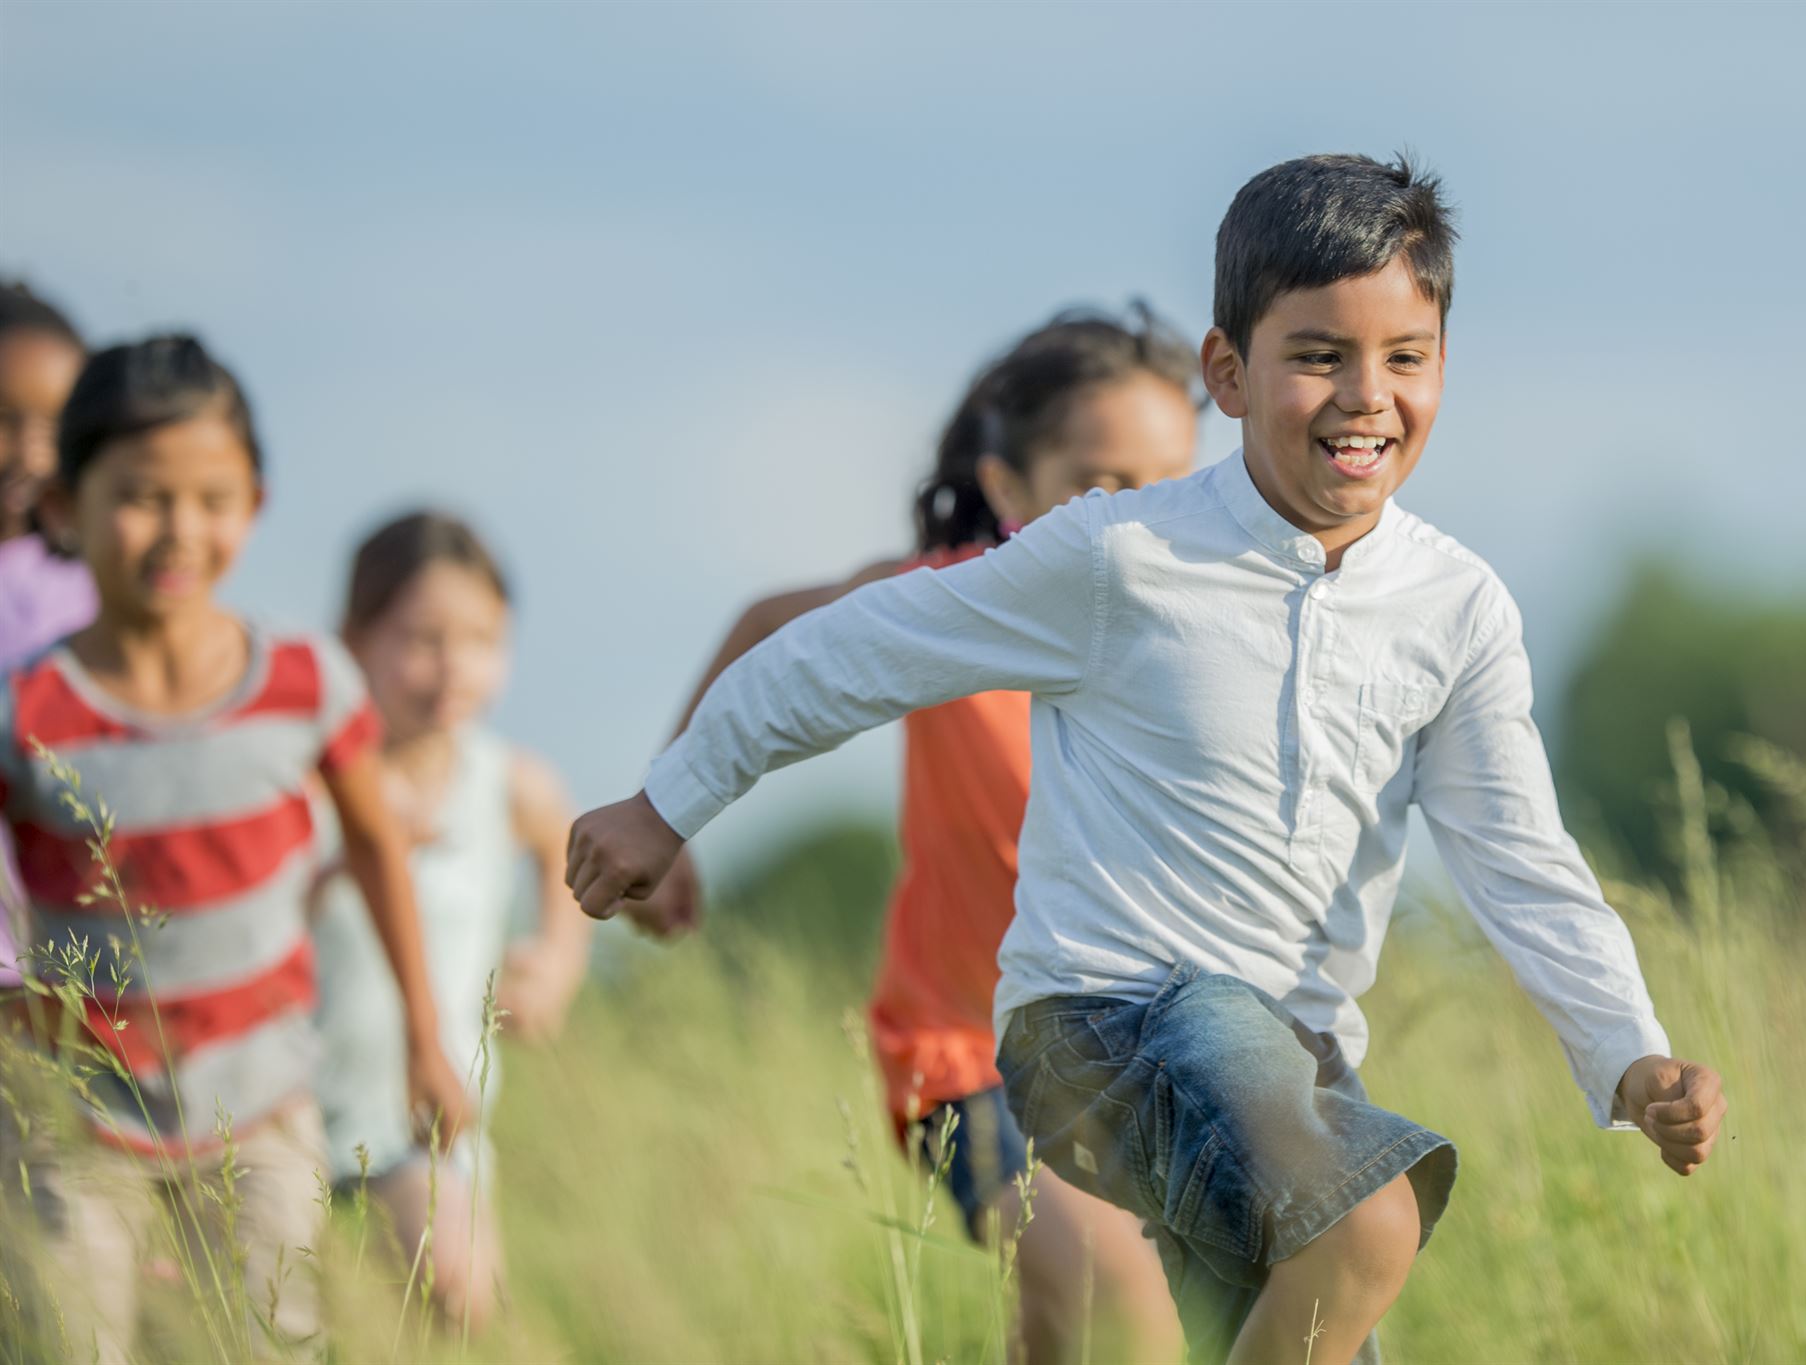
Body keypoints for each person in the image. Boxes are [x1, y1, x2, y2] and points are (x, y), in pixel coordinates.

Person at [566, 154, 1729, 1365]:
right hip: (1106, 1021)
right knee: (1370, 1221)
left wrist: (1627, 1054)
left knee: (1318, 1311)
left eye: (1404, 358)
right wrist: (668, 801)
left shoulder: (1456, 609)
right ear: (1227, 373)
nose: (1364, 397)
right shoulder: (1121, 557)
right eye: (1317, 355)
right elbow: (855, 648)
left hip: (1291, 1066)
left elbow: (1521, 863)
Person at [646, 308, 1197, 1361]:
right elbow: (771, 626)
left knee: (1070, 1327)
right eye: (1100, 480)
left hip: (1142, 1055)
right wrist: (669, 819)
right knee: (1111, 1295)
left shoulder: (1204, 633)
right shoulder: (947, 604)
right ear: (1007, 490)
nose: (1136, 515)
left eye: (1165, 482)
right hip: (962, 1059)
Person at [0, 334, 469, 1362]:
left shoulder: (305, 683)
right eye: (139, 496)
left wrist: (424, 1042)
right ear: (64, 506)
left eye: (213, 498)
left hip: (258, 1112)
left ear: (254, 501)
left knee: (267, 1346)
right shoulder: (26, 709)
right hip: (76, 1126)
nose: (178, 531)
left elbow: (379, 849)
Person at [312, 509, 591, 1332]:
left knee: (460, 1295)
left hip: (430, 1118)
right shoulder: (312, 780)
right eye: (422, 639)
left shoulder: (506, 780)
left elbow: (566, 850)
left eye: (480, 639)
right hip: (288, 1106)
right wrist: (343, 862)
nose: (452, 667)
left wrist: (558, 957)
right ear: (353, 638)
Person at [0, 282, 92, 989]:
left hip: (72, 963)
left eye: (55, 426)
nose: (30, 451)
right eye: (5, 418)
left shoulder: (94, 588)